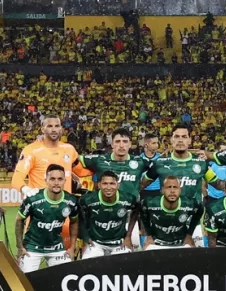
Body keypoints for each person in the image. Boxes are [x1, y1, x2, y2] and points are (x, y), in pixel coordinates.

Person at [11, 116, 88, 250]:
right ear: (42, 129)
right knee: (31, 257)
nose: (53, 129)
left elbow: (81, 171)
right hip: (39, 214)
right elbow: (16, 179)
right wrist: (26, 190)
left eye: (57, 126)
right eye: (49, 126)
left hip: (64, 213)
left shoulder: (69, 149)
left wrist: (104, 165)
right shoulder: (31, 150)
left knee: (65, 260)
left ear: (62, 129)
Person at [141, 123, 223, 247]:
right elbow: (141, 185)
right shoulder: (161, 163)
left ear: (189, 140)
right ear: (171, 140)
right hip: (164, 221)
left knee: (193, 263)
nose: (180, 140)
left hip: (193, 222)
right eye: (177, 136)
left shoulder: (200, 163)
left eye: (184, 137)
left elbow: (218, 184)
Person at [79, 128, 149, 249]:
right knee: (97, 255)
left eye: (125, 141)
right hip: (101, 215)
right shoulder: (100, 160)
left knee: (131, 254)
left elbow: (158, 169)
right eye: (117, 141)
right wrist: (76, 179)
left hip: (128, 216)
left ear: (130, 144)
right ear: (112, 144)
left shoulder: (139, 162)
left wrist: (143, 184)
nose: (121, 145)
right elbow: (74, 160)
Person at [15, 165, 79, 273]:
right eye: (52, 179)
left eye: (60, 179)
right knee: (26, 282)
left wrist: (72, 247)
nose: (56, 182)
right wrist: (20, 247)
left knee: (67, 278)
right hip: (32, 247)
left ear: (65, 181)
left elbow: (74, 221)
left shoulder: (71, 200)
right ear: (46, 180)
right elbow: (19, 220)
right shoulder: (33, 199)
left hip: (57, 247)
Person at [78, 171, 138, 259]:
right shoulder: (87, 200)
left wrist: (128, 236)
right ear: (99, 185)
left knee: (125, 266)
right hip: (96, 244)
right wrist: (86, 238)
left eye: (112, 184)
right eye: (105, 184)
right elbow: (80, 218)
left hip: (119, 243)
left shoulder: (128, 199)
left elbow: (136, 211)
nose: (108, 187)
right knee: (87, 266)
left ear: (118, 185)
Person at [141, 176, 203, 250]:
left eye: (175, 187)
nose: (172, 191)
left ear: (180, 190)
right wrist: (148, 235)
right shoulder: (150, 203)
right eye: (169, 187)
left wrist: (189, 234)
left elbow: (200, 210)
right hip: (156, 243)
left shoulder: (190, 203)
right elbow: (142, 213)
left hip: (181, 243)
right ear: (162, 190)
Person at [138, 133, 161, 247]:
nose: (157, 145)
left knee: (159, 220)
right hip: (144, 193)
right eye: (154, 143)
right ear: (146, 144)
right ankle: (144, 246)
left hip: (158, 192)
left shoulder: (161, 158)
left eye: (157, 142)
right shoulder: (138, 160)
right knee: (144, 222)